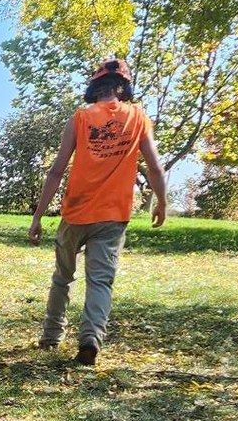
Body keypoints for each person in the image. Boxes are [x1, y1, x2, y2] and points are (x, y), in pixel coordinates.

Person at [28, 55, 168, 367]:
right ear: (124, 88)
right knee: (101, 281)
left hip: (75, 213)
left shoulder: (81, 117)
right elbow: (155, 168)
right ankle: (90, 337)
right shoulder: (139, 118)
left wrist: (38, 216)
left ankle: (51, 336)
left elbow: (56, 171)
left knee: (62, 277)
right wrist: (161, 201)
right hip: (112, 216)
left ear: (95, 86)